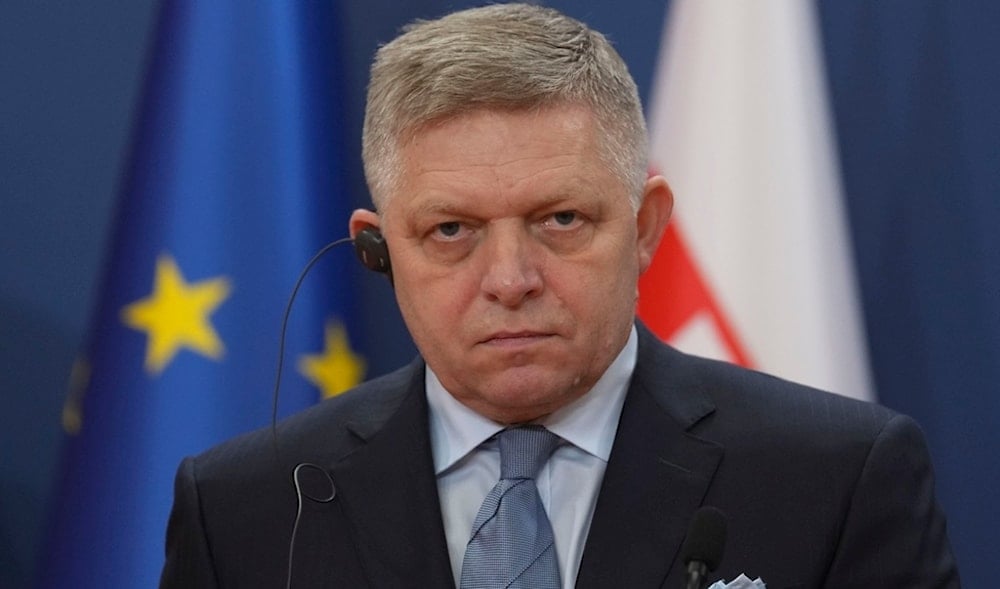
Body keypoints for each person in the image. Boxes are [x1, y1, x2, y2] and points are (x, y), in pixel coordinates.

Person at [159, 4, 959, 588]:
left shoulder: (838, 479)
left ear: (646, 227)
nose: (510, 280)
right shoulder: (244, 510)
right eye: (450, 231)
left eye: (561, 218)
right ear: (378, 247)